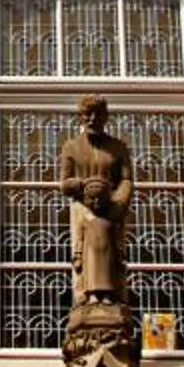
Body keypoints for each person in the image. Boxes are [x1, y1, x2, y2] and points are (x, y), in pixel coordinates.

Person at [57, 92, 133, 300]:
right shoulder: (71, 147)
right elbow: (64, 184)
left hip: (112, 208)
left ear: (105, 117)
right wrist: (83, 186)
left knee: (110, 253)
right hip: (83, 207)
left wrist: (118, 205)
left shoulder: (118, 147)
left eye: (98, 115)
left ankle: (112, 295)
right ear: (80, 117)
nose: (92, 119)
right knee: (87, 251)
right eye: (88, 114)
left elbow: (127, 180)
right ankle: (86, 295)